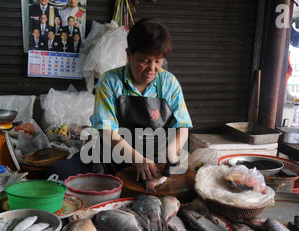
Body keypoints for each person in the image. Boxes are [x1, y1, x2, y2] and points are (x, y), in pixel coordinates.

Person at [48, 18, 192, 182]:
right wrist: (137, 160)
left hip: (154, 162)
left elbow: (183, 125)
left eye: (158, 61)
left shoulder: (169, 83)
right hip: (114, 158)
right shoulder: (110, 81)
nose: (152, 69)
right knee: (58, 173)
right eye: (145, 61)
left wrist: (172, 150)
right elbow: (106, 131)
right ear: (129, 54)